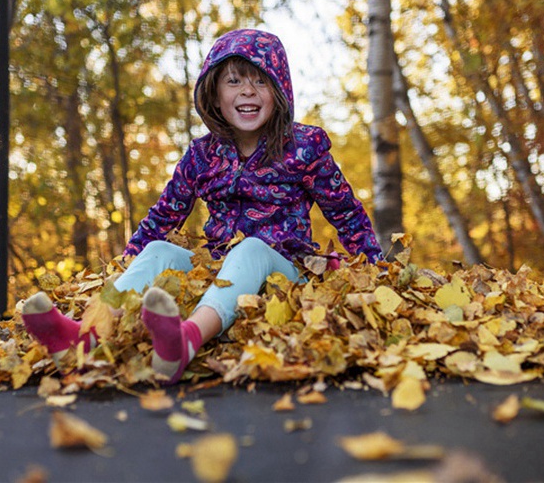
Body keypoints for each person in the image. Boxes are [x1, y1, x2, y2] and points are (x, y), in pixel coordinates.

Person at [21, 28, 383, 385]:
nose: (247, 91)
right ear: (214, 94)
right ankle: (86, 338)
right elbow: (163, 216)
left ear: (279, 92)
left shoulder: (303, 147)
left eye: (260, 82)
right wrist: (127, 262)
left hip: (283, 276)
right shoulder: (202, 156)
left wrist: (376, 272)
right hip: (221, 272)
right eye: (234, 81)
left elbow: (347, 213)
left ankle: (187, 339)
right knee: (158, 249)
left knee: (251, 248)